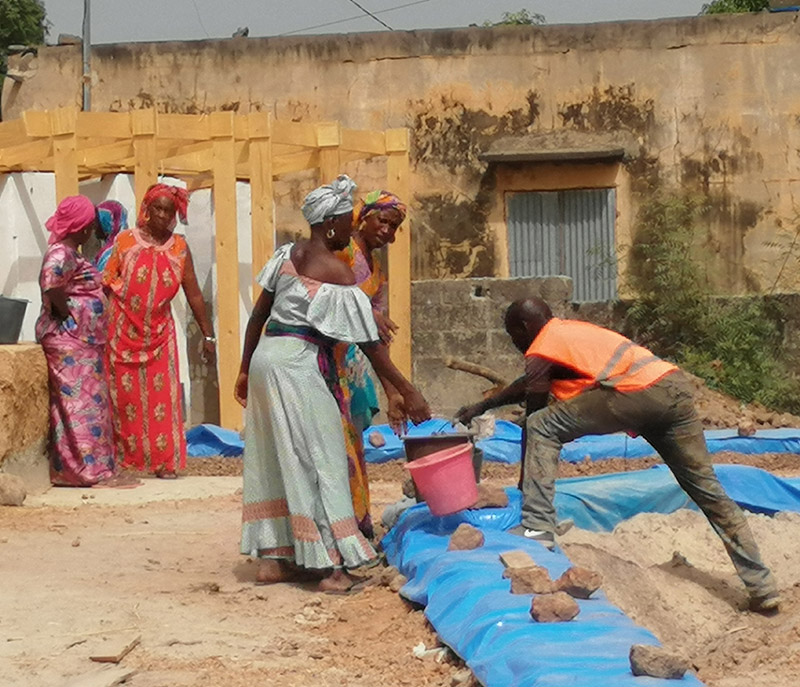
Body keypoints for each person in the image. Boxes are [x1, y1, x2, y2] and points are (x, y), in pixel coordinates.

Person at [455, 297, 780, 613]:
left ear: (525, 327)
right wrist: (481, 406)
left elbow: (535, 418)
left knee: (540, 425)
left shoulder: (541, 345)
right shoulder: (571, 333)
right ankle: (760, 585)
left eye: (514, 335)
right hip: (673, 389)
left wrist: (528, 488)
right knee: (707, 489)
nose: (516, 344)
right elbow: (528, 383)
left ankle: (538, 529)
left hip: (633, 396)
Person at [235, 174, 430, 594]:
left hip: (268, 360)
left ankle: (276, 559)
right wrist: (405, 389)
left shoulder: (287, 255)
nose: (350, 226)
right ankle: (333, 567)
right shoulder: (337, 272)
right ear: (329, 225)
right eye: (345, 220)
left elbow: (258, 315)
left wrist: (244, 368)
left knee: (277, 455)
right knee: (323, 460)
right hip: (298, 366)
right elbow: (369, 342)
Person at [103, 183, 216, 478]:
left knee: (161, 401)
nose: (164, 216)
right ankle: (127, 463)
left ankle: (163, 462)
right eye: (158, 209)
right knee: (123, 401)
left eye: (169, 211)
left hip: (159, 336)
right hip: (121, 333)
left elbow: (193, 294)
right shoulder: (125, 241)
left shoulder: (179, 248)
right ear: (147, 209)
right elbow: (107, 284)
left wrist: (208, 334)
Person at [36, 195, 134, 488]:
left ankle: (80, 470)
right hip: (71, 342)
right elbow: (50, 285)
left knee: (88, 405)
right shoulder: (60, 253)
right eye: (88, 225)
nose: (91, 231)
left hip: (82, 342)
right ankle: (87, 472)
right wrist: (69, 317)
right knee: (80, 407)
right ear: (79, 226)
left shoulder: (70, 254)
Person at [334, 189, 407, 539]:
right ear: (365, 216)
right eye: (384, 222)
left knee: (354, 446)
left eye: (394, 228)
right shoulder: (340, 253)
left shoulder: (376, 271)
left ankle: (356, 520)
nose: (388, 233)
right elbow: (330, 299)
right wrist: (366, 313)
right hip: (330, 361)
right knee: (337, 445)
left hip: (359, 369)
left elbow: (380, 340)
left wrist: (393, 393)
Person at [94, 200, 129, 272]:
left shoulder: (111, 254)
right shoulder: (128, 244)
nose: (94, 228)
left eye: (97, 223)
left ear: (107, 224)